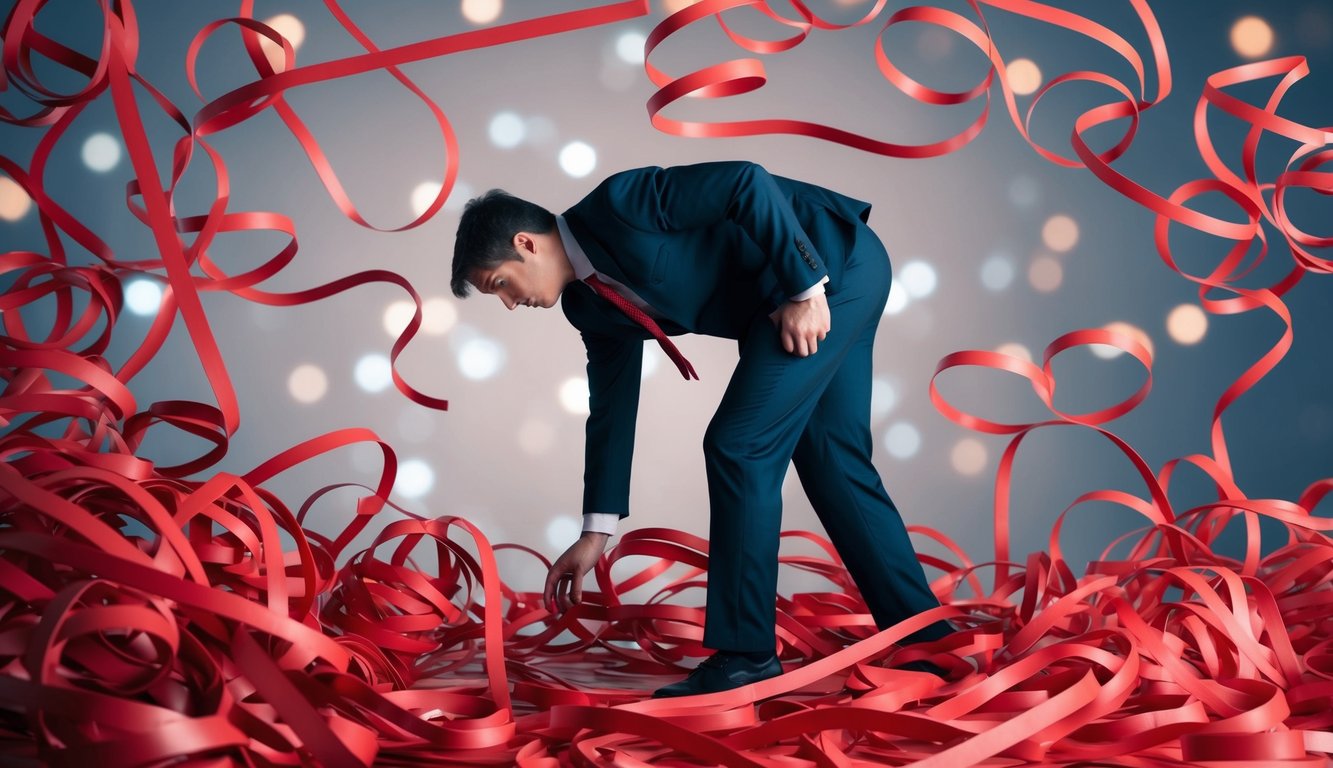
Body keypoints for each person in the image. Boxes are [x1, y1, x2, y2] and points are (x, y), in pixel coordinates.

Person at [450, 160, 952, 698]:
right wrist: (595, 531)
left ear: (526, 244)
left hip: (833, 263)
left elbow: (746, 183)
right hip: (804, 293)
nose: (509, 303)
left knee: (738, 446)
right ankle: (929, 643)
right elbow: (611, 409)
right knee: (832, 459)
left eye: (500, 284)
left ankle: (746, 656)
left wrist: (805, 289)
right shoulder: (586, 307)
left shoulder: (621, 204)